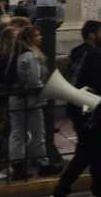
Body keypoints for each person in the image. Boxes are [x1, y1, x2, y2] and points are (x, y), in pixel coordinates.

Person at [47, 21, 101, 197]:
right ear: (91, 35)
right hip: (88, 111)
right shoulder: (93, 56)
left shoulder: (78, 53)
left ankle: (98, 190)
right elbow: (100, 84)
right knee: (85, 154)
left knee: (100, 149)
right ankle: (58, 195)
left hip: (79, 108)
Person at [4, 23, 60, 180]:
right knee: (37, 132)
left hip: (15, 98)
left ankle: (17, 166)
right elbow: (34, 81)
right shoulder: (31, 56)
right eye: (37, 35)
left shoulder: (15, 54)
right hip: (31, 100)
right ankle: (43, 163)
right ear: (29, 39)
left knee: (17, 133)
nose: (40, 38)